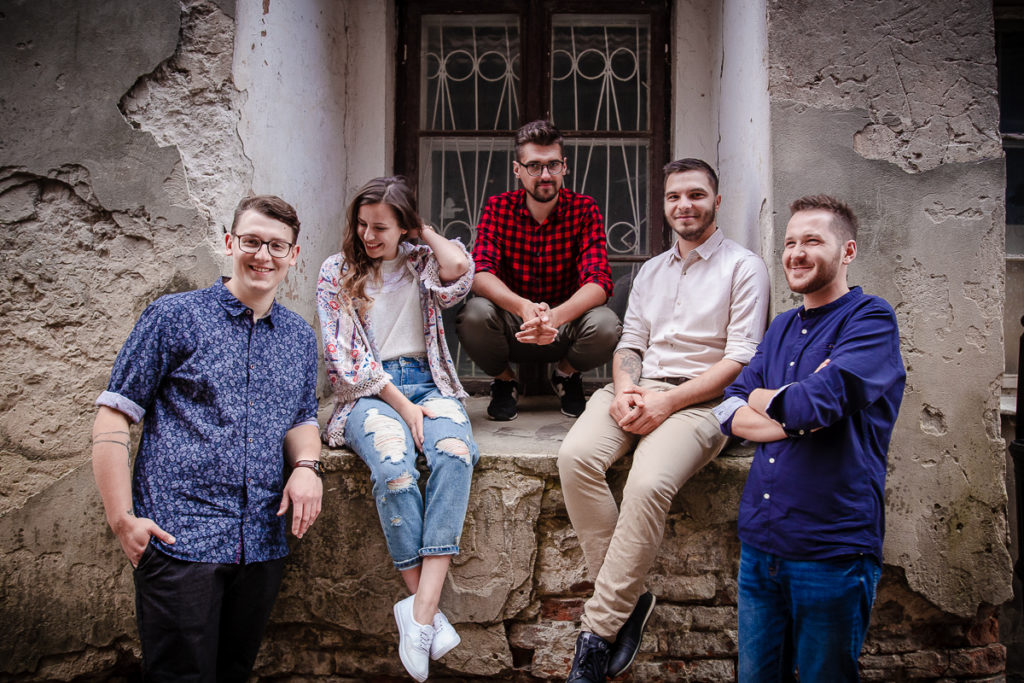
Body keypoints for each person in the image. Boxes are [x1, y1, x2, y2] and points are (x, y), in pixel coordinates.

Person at [91, 195, 323, 682]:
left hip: (261, 542)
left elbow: (302, 418)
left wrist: (306, 467)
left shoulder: (300, 338)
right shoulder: (174, 316)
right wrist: (122, 520)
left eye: (277, 245)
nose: (263, 255)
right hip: (179, 540)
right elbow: (114, 414)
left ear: (294, 255)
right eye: (252, 241)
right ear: (230, 243)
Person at [557, 159, 771, 681]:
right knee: (576, 458)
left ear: (716, 201)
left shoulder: (744, 267)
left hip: (701, 402)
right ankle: (629, 602)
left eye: (695, 195)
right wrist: (626, 390)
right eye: (674, 196)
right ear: (665, 204)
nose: (684, 205)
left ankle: (597, 632)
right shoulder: (652, 270)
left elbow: (740, 360)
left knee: (648, 483)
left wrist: (668, 403)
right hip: (637, 388)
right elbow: (630, 343)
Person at [714, 195, 905, 681]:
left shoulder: (871, 319)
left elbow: (813, 404)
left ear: (848, 251)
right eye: (789, 243)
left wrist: (775, 402)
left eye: (812, 241)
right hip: (760, 545)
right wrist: (786, 405)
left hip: (831, 549)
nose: (796, 253)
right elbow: (728, 407)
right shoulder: (780, 327)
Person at [317, 176, 479, 682]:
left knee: (454, 453)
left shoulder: (420, 260)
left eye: (381, 227)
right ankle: (426, 612)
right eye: (362, 224)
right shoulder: (336, 271)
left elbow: (460, 273)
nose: (368, 236)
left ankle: (421, 612)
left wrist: (421, 231)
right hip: (369, 394)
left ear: (404, 226)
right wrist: (403, 406)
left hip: (431, 384)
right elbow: (344, 361)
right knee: (394, 467)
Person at [455, 119, 620, 420]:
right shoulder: (498, 207)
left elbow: (599, 281)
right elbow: (480, 273)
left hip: (564, 327)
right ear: (517, 169)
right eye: (534, 166)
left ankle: (566, 374)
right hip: (512, 326)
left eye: (552, 165)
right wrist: (523, 307)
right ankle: (505, 380)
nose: (545, 175)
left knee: (606, 324)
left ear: (564, 167)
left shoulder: (584, 209)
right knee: (473, 314)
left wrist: (554, 316)